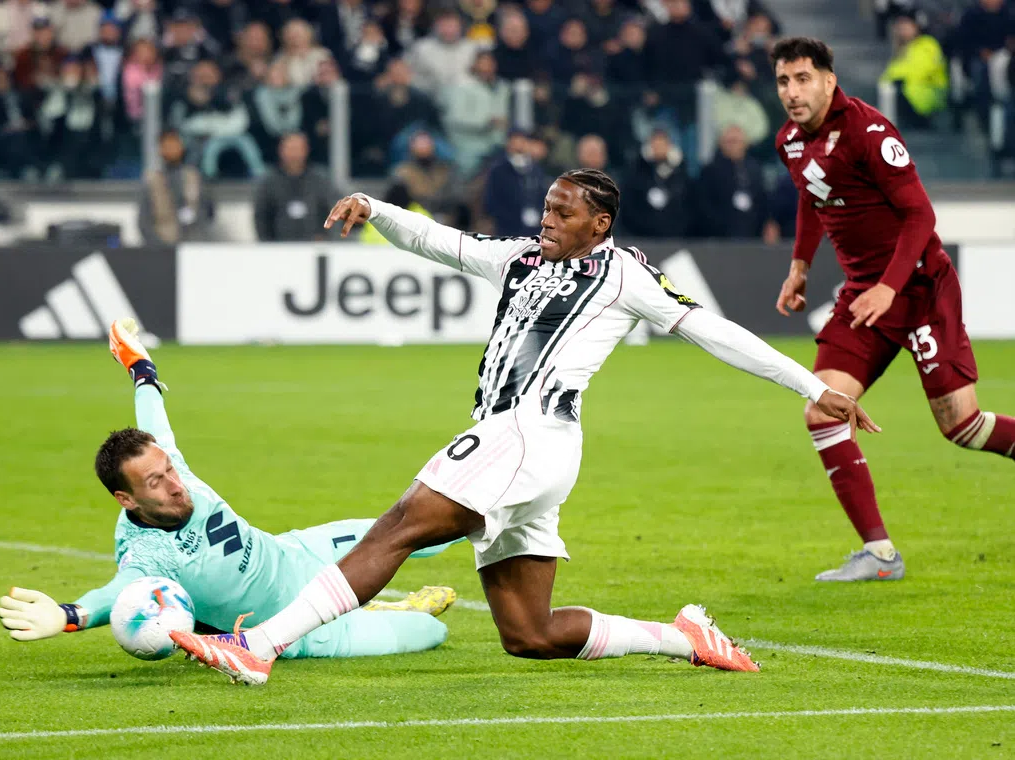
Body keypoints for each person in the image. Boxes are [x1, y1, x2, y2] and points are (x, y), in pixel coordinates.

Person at [168, 167, 878, 685]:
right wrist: (375, 207)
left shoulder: (623, 275)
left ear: (600, 224)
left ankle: (259, 646)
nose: (548, 220)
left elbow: (714, 331)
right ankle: (682, 636)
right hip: (527, 449)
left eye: (564, 213)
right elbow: (441, 242)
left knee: (399, 526)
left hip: (527, 434)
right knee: (529, 634)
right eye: (546, 208)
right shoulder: (520, 258)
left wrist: (814, 387)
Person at [0, 319, 459, 658]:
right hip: (298, 631)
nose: (175, 484)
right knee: (430, 633)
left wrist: (136, 362)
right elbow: (116, 595)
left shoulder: (168, 464)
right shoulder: (147, 553)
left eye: (169, 470)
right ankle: (384, 610)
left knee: (435, 526)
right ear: (126, 499)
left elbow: (151, 404)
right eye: (156, 482)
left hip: (295, 553)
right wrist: (68, 616)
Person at [771, 37, 1015, 582]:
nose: (792, 92)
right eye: (784, 81)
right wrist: (800, 265)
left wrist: (889, 287)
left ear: (829, 80)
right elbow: (812, 197)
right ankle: (880, 555)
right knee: (822, 409)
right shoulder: (790, 140)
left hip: (920, 289)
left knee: (963, 426)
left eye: (803, 78)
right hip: (864, 297)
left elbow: (920, 215)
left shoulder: (867, 130)